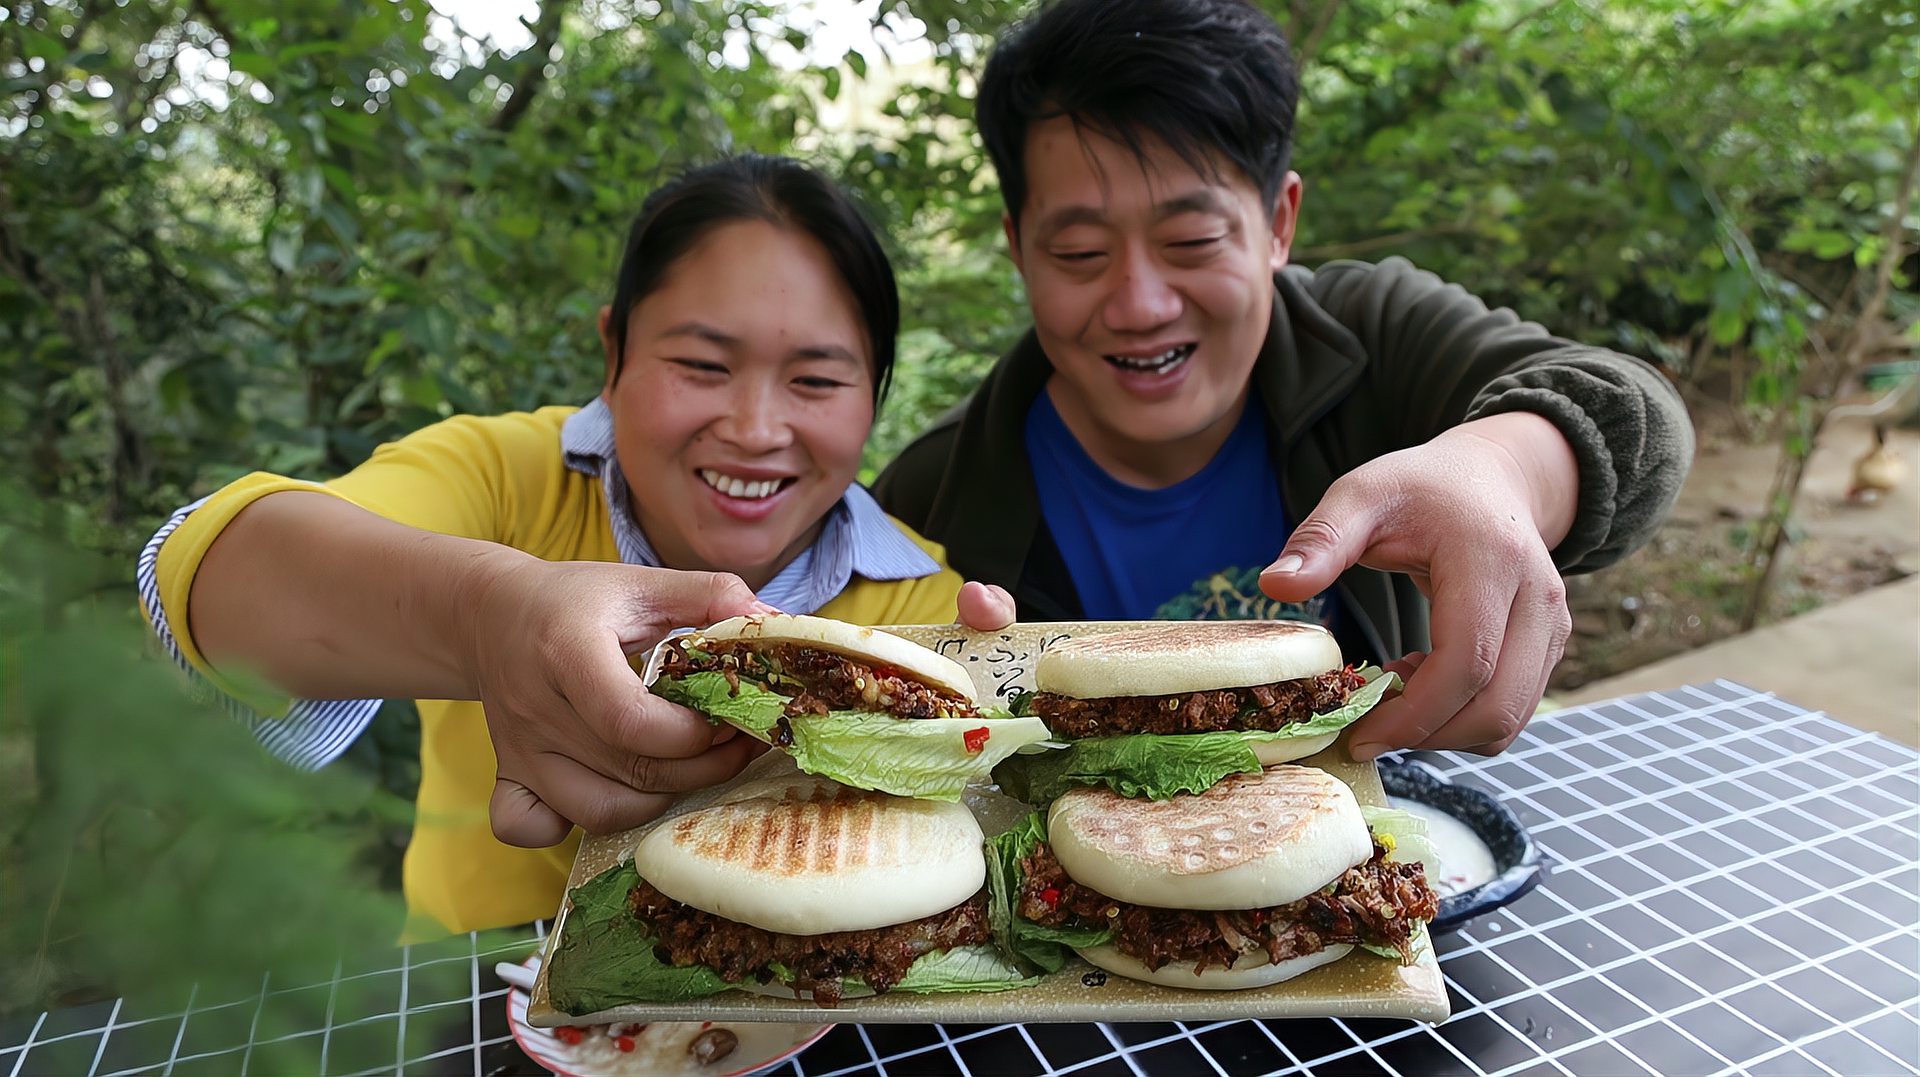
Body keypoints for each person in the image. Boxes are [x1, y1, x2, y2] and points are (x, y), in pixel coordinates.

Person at [137, 155, 1014, 936]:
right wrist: (487, 613)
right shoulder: (502, 476)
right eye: (703, 366)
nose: (754, 428)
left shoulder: (918, 601)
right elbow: (206, 573)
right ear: (613, 351)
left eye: (817, 380)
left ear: (875, 397)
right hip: (472, 987)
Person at [875, 0, 1693, 762]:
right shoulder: (929, 494)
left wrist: (1502, 470)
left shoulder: (1372, 333)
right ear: (1019, 248)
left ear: (1278, 223)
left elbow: (1633, 414)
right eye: (1081, 254)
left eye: (1191, 240)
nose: (1139, 305)